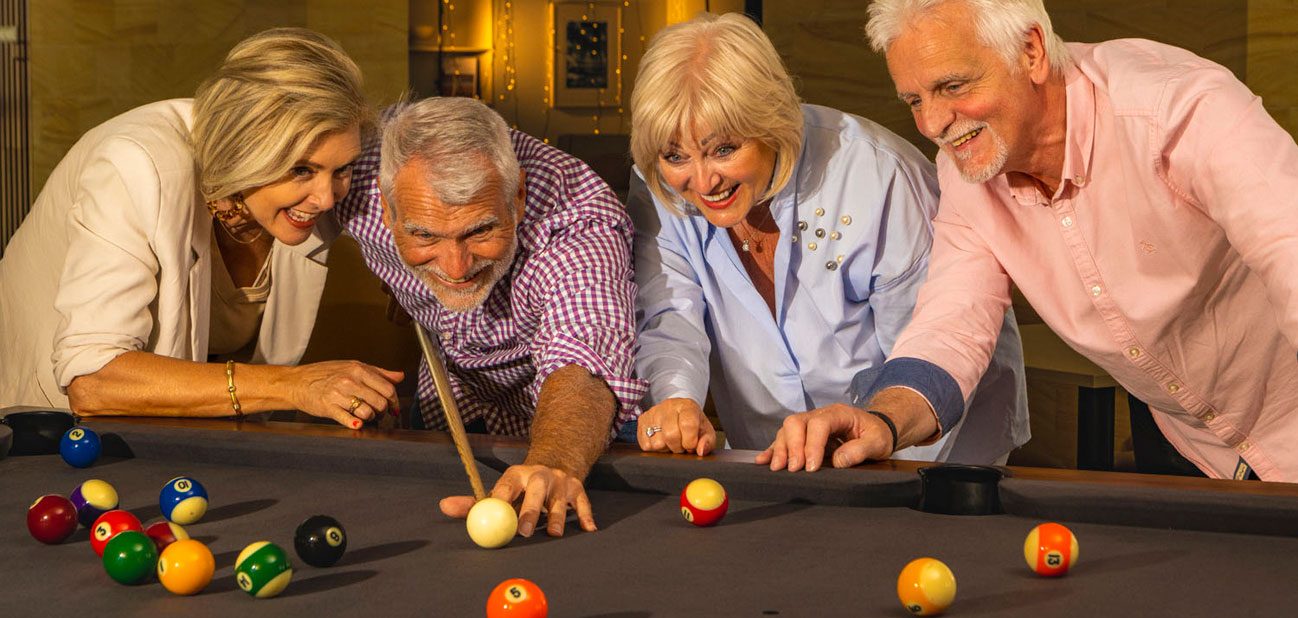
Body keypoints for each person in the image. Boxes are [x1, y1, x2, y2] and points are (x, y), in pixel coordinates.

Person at [771, 0, 1298, 481]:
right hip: (1202, 450)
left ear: (1031, 52)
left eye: (953, 86)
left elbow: (1288, 247)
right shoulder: (964, 174)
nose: (932, 122)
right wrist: (882, 419)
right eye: (914, 99)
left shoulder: (1177, 108)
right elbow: (951, 324)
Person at [629, 12, 1029, 467]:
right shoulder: (658, 184)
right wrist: (676, 400)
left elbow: (928, 342)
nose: (703, 181)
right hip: (777, 458)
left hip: (929, 447)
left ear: (770, 123)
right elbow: (669, 317)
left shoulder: (876, 176)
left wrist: (879, 438)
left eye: (724, 149)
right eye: (675, 155)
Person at [0, 28, 402, 428]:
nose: (327, 199)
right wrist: (293, 385)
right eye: (300, 170)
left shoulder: (324, 182)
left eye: (341, 169)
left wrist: (412, 279)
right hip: (48, 426)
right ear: (244, 153)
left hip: (192, 431)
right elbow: (91, 381)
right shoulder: (134, 165)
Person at [335, 96, 647, 537]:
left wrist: (554, 462)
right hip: (451, 401)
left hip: (573, 427)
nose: (456, 267)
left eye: (480, 230)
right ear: (387, 209)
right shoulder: (352, 178)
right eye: (424, 235)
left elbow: (584, 353)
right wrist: (404, 285)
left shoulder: (577, 218)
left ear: (517, 195)